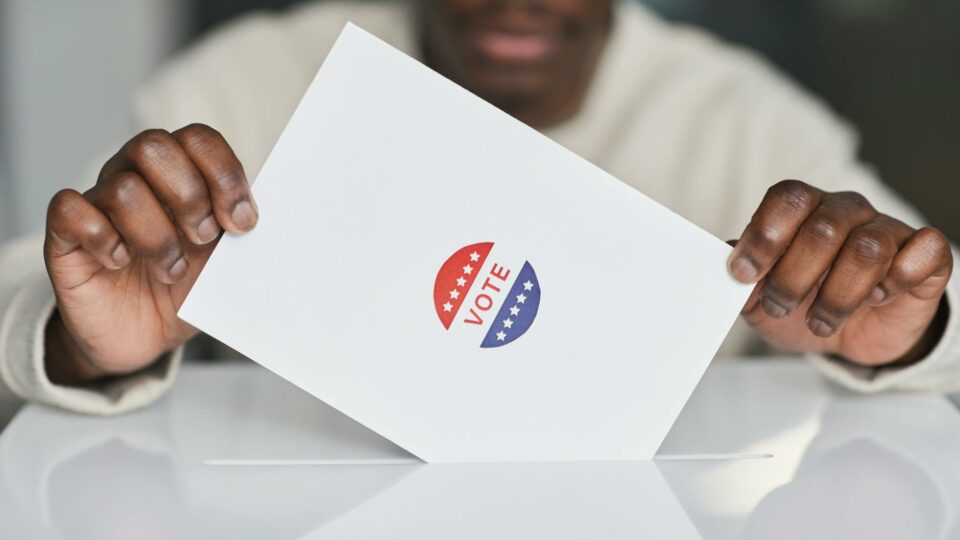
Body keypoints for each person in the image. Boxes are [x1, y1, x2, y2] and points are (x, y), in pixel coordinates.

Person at [0, 0, 957, 415]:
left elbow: (930, 296)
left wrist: (898, 335)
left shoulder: (739, 111)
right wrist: (80, 347)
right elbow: (27, 291)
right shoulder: (245, 79)